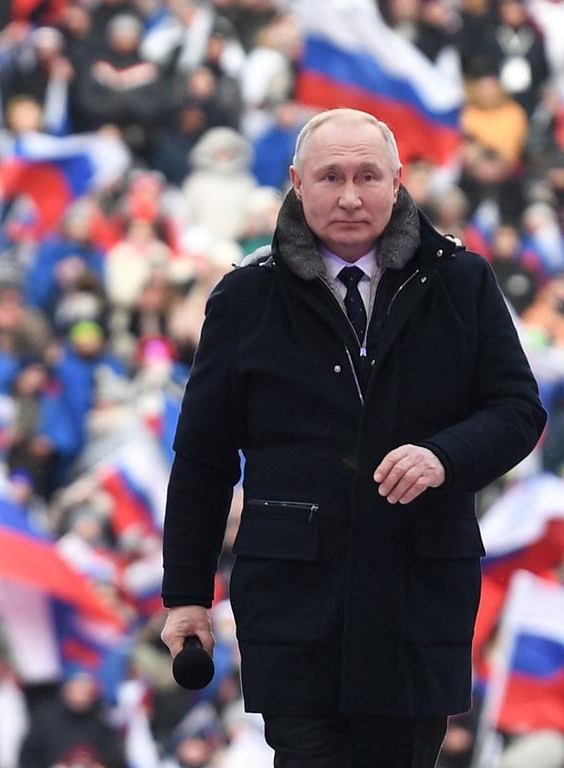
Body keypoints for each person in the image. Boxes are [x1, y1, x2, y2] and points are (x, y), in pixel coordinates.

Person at [159, 109, 546, 768]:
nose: (348, 195)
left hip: (416, 601)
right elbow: (203, 460)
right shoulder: (245, 297)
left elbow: (517, 410)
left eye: (367, 176)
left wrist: (443, 458)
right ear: (295, 182)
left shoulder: (462, 281)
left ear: (397, 182)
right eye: (329, 176)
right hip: (293, 606)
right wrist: (187, 595)